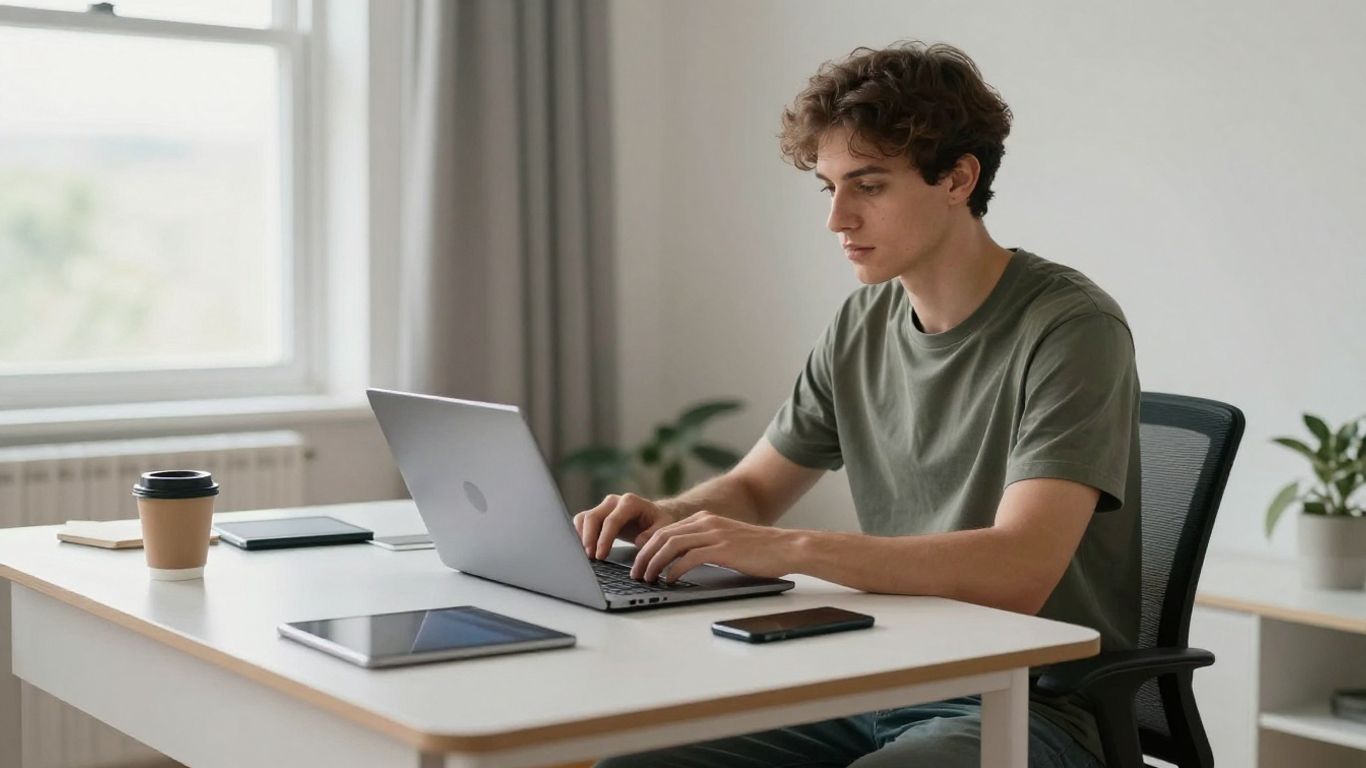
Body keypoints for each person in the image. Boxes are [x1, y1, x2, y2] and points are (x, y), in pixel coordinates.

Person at [577, 41, 1139, 768]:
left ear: (957, 179)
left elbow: (1019, 568)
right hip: (876, 682)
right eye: (828, 187)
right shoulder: (861, 323)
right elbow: (753, 487)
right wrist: (673, 518)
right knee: (634, 764)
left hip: (1028, 705)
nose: (837, 220)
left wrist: (789, 550)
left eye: (868, 186)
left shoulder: (1070, 327)